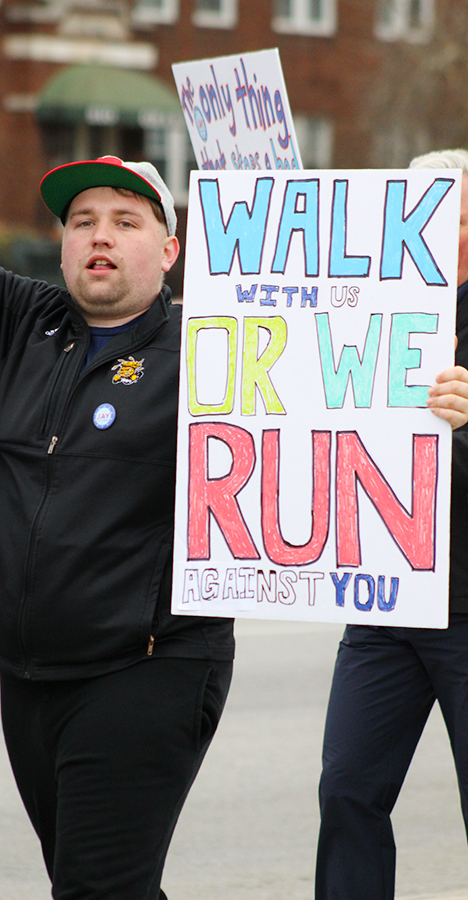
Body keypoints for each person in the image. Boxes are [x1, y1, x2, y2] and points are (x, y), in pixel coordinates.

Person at [0, 52, 235, 900]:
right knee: (90, 883)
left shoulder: (217, 349)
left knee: (97, 888)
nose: (100, 236)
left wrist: (435, 401)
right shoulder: (24, 322)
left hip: (147, 669)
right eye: (83, 220)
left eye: (124, 219)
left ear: (170, 246)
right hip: (27, 671)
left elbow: (335, 403)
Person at [315, 148, 468, 900]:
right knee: (346, 792)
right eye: (413, 215)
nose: (428, 231)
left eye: (449, 215)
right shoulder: (358, 307)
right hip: (384, 604)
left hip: (467, 611)